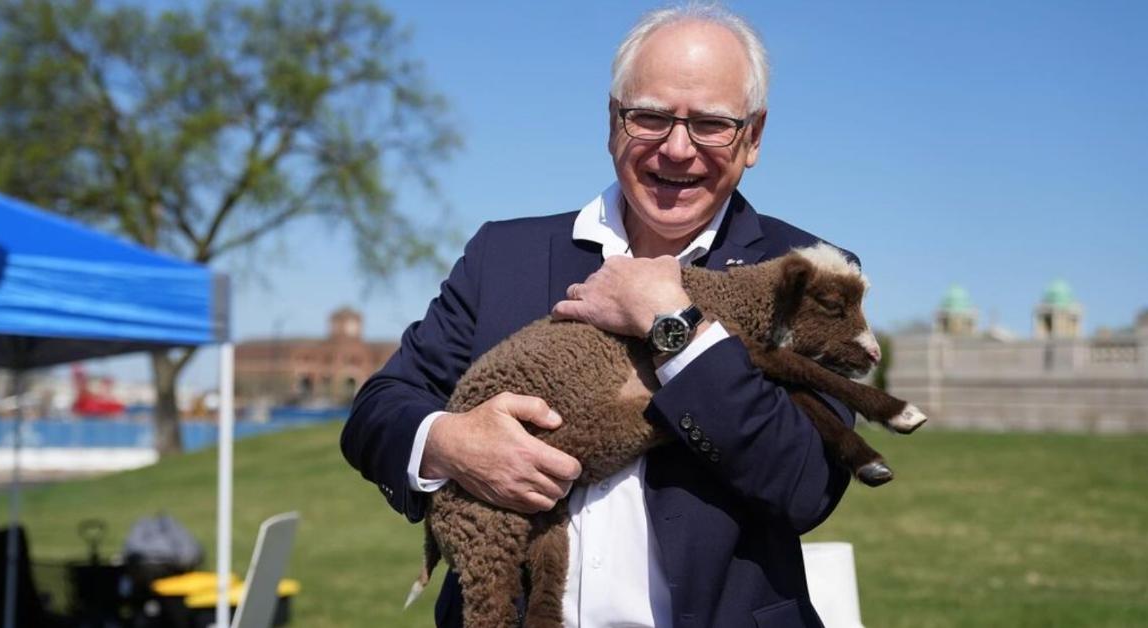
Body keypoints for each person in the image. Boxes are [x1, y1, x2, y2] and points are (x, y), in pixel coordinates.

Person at [342, 5, 861, 627]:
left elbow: (806, 483)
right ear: (612, 121)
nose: (677, 148)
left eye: (712, 125)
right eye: (651, 116)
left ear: (753, 137)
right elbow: (379, 408)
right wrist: (449, 443)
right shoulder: (502, 254)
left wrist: (674, 324)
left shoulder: (805, 276)